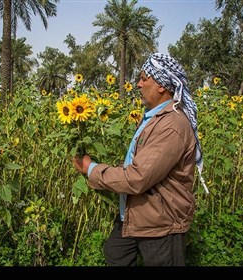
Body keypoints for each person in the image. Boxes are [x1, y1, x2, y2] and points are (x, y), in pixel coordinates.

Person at [73, 52, 207, 266]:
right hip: (136, 214)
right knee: (115, 255)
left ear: (162, 85)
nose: (138, 84)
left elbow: (138, 177)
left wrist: (91, 169)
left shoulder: (171, 125)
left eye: (144, 79)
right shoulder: (154, 117)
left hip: (161, 221)